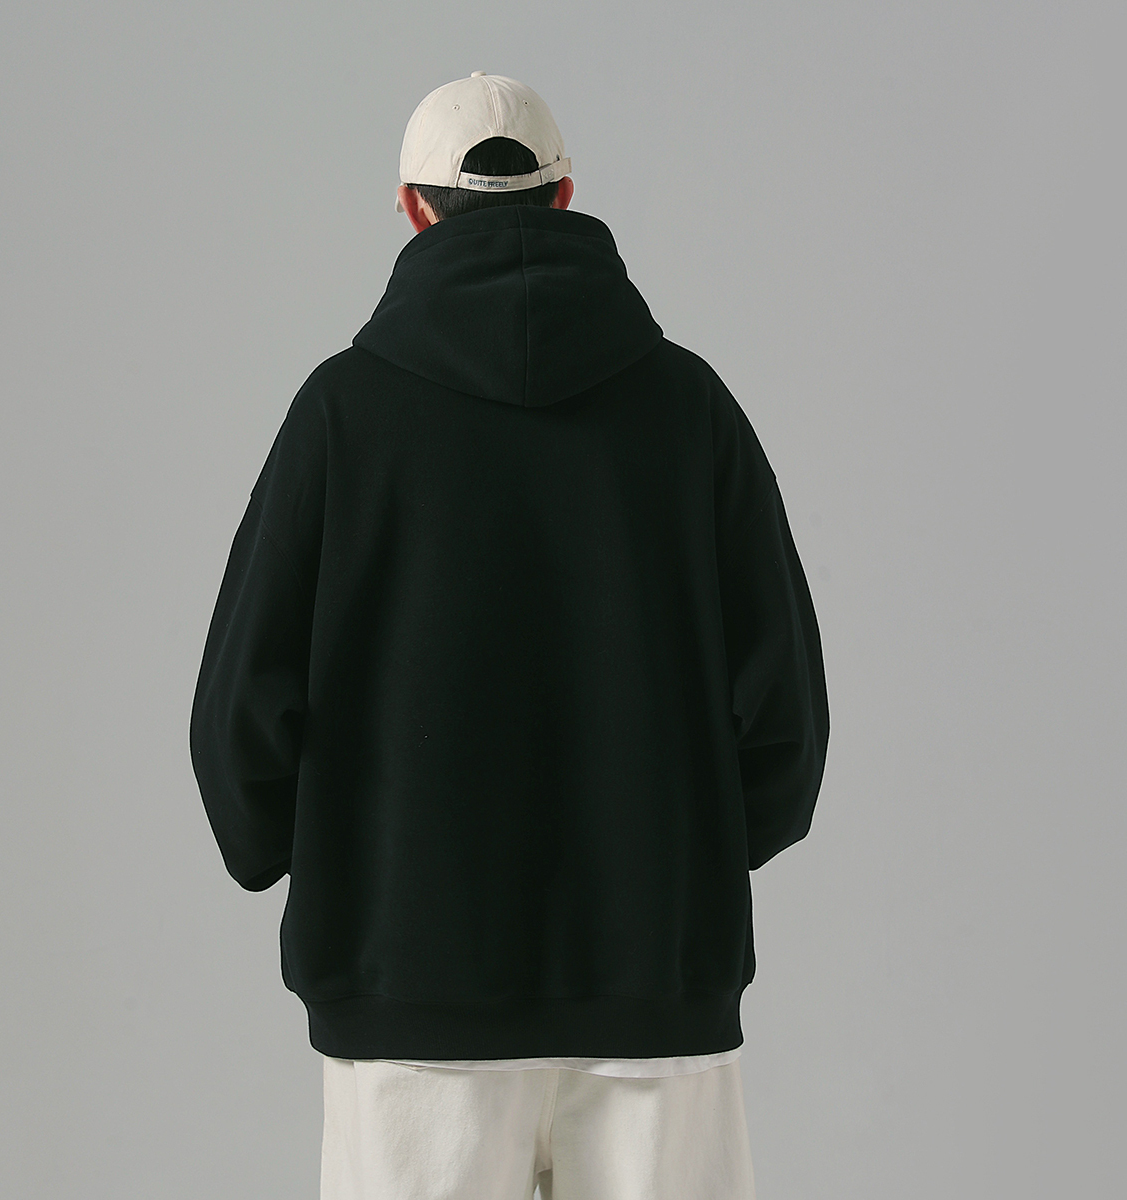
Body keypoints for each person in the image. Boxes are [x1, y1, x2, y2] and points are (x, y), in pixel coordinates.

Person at [189, 71, 829, 1200]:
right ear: (567, 195)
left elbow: (240, 711)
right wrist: (678, 863)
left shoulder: (342, 414)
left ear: (410, 207)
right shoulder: (690, 409)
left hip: (409, 984)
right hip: (655, 988)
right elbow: (786, 713)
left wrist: (319, 860)